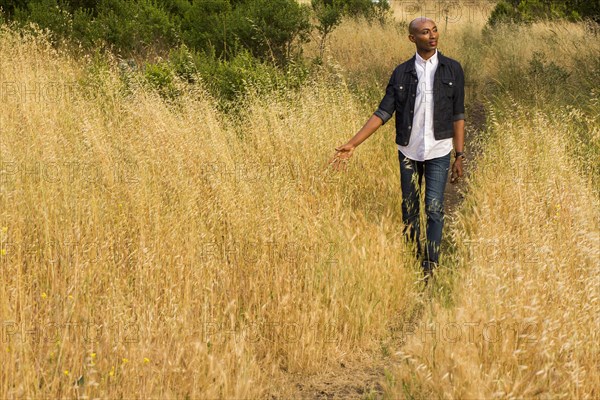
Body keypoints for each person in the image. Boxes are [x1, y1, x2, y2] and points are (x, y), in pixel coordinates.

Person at [329, 17, 466, 282]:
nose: (433, 35)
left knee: (435, 208)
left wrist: (459, 155)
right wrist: (352, 144)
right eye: (425, 32)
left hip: (439, 150)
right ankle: (413, 259)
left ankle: (431, 264)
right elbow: (383, 112)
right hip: (409, 152)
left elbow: (458, 115)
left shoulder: (453, 69)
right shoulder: (401, 72)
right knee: (410, 208)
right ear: (412, 38)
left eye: (435, 30)